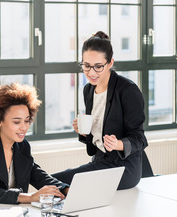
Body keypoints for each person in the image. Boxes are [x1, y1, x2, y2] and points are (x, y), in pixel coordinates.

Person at [52, 31, 148, 190]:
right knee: (51, 182)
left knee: (53, 182)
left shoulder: (127, 90)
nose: (91, 72)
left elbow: (140, 139)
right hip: (99, 162)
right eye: (86, 66)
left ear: (110, 63)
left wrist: (118, 144)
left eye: (98, 67)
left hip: (122, 167)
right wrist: (84, 132)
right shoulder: (88, 90)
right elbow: (96, 135)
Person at [0, 83, 69, 204]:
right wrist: (29, 198)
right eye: (17, 122)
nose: (24, 127)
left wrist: (66, 189)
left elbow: (37, 175)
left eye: (27, 121)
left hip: (11, 213)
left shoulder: (22, 146)